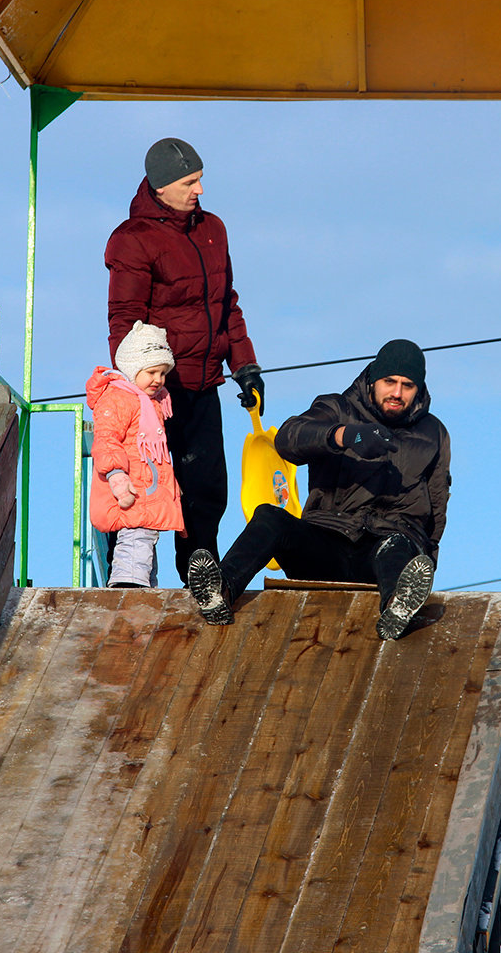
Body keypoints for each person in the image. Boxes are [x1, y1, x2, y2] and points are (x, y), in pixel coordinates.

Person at [186, 339, 450, 640]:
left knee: (399, 545)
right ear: (374, 379)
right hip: (326, 543)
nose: (397, 393)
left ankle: (398, 607)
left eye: (407, 385)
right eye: (390, 381)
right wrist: (343, 435)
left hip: (384, 552)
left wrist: (425, 560)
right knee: (269, 518)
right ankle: (220, 590)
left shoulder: (434, 433)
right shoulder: (337, 407)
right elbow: (288, 439)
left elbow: (437, 507)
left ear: (419, 389)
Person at [105, 137, 263, 583]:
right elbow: (124, 320)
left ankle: (200, 575)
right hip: (155, 391)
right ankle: (131, 578)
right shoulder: (133, 240)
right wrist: (137, 386)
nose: (199, 190)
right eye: (190, 181)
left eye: (200, 179)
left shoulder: (213, 229)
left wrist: (245, 365)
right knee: (144, 484)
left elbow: (226, 303)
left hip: (205, 382)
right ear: (162, 185)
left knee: (206, 488)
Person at [86, 321, 185, 588]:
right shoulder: (118, 398)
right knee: (135, 537)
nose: (159, 379)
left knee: (147, 541)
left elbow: (158, 455)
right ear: (132, 369)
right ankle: (128, 585)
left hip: (148, 488)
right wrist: (117, 476)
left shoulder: (151, 402)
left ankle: (145, 587)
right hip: (130, 486)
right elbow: (106, 440)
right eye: (152, 371)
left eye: (163, 373)